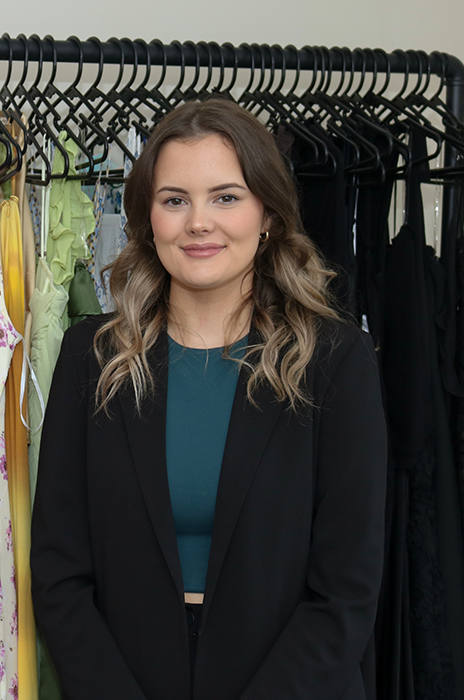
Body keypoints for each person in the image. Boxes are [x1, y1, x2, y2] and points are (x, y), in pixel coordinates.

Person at [30, 98, 387, 700]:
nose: (199, 222)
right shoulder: (90, 358)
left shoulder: (335, 360)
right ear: (148, 217)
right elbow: (60, 575)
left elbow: (346, 591)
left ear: (267, 212)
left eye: (225, 196)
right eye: (175, 200)